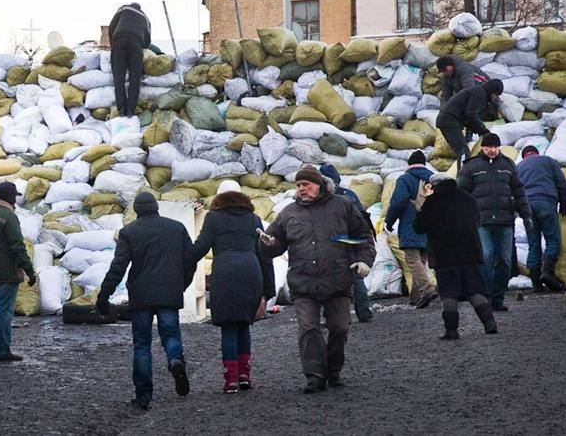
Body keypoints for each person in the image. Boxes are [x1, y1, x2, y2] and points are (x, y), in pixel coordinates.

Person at [259, 166, 375, 393]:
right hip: (303, 283)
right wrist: (268, 243)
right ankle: (315, 375)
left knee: (340, 328)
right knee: (309, 329)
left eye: (306, 185)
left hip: (338, 280)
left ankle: (333, 371)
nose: (302, 189)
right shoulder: (288, 213)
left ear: (319, 185)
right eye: (299, 185)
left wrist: (364, 261)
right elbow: (276, 244)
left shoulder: (342, 206)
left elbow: (363, 237)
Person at [98, 192, 193, 410]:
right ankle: (175, 361)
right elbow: (190, 260)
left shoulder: (129, 232)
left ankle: (143, 396)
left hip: (140, 296)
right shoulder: (176, 228)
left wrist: (104, 294)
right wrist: (181, 285)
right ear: (156, 207)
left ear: (137, 211)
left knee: (142, 344)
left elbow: (118, 267)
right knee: (170, 334)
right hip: (169, 292)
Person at [189, 183, 275, 393]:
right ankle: (245, 374)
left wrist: (181, 258)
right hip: (250, 271)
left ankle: (231, 380)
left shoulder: (213, 218)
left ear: (219, 197)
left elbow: (201, 247)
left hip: (225, 272)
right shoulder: (253, 220)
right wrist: (268, 288)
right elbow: (264, 254)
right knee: (244, 324)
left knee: (228, 326)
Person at [413, 176, 498, 340]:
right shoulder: (468, 199)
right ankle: (489, 323)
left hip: (444, 255)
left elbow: (418, 227)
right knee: (474, 290)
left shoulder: (433, 202)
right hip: (470, 253)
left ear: (435, 185)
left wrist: (420, 209)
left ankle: (451, 330)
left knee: (449, 293)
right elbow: (478, 221)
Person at [457, 133, 532, 312]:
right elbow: (461, 195)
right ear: (482, 147)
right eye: (489, 147)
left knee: (505, 260)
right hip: (481, 221)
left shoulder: (507, 165)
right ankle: (487, 297)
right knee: (487, 257)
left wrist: (526, 214)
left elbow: (519, 191)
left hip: (505, 220)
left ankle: (498, 297)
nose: (492, 150)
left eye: (496, 147)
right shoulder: (472, 167)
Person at [0, 182, 36, 362]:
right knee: (5, 312)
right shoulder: (9, 217)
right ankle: (1, 351)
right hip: (8, 272)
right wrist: (30, 271)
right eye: (14, 197)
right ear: (10, 197)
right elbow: (18, 247)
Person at [319, 163, 373, 322]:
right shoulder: (350, 194)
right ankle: (364, 312)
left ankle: (340, 315)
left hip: (335, 241)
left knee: (333, 278)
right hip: (353, 239)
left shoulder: (327, 199)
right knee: (356, 277)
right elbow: (362, 216)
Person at [384, 150, 437, 308]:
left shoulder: (405, 179)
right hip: (432, 226)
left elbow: (398, 202)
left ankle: (427, 289)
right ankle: (416, 297)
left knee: (412, 260)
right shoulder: (433, 180)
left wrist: (389, 221)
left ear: (409, 164)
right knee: (420, 260)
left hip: (411, 224)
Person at [516, 145, 566, 292]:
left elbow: (513, 191)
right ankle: (547, 273)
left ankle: (536, 282)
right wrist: (563, 207)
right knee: (553, 239)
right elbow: (563, 185)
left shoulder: (518, 167)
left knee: (533, 243)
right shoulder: (548, 161)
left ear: (524, 155)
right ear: (537, 153)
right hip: (546, 202)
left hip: (527, 206)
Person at [436, 80, 504, 163]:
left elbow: (469, 116)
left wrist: (480, 131)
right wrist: (483, 131)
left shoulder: (479, 92)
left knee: (463, 150)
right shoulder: (479, 93)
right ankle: (462, 175)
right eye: (496, 95)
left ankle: (464, 173)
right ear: (492, 91)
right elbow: (471, 114)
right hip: (449, 120)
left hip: (449, 120)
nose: (495, 98)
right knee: (463, 152)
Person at [108, 2, 151, 117]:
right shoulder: (145, 17)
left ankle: (121, 109)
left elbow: (111, 26)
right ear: (139, 8)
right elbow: (147, 40)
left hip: (119, 40)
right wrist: (141, 48)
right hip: (136, 44)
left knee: (119, 77)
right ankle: (131, 110)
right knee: (135, 77)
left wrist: (114, 45)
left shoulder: (123, 8)